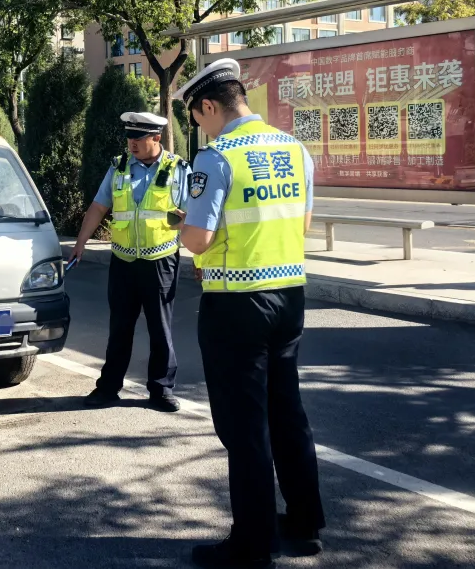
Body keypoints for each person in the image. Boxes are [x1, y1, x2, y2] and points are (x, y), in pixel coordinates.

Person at [174, 59, 326, 569]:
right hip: (289, 296)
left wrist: (183, 226)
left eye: (197, 117)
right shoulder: (294, 149)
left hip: (236, 304)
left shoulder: (217, 157)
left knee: (245, 426)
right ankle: (304, 524)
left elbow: (198, 240)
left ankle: (253, 544)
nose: (200, 127)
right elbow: (303, 224)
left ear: (209, 106)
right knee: (287, 413)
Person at [70, 112, 190, 413]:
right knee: (120, 328)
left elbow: (191, 214)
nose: (132, 143)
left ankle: (161, 390)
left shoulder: (177, 169)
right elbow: (99, 206)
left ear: (156, 138)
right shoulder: (119, 167)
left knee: (160, 329)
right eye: (129, 137)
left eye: (139, 138)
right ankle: (108, 388)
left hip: (161, 260)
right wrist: (81, 242)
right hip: (123, 261)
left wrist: (200, 256)